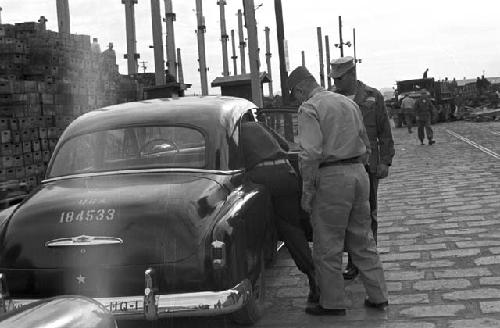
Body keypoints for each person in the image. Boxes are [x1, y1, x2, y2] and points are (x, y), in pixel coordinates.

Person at [287, 66, 388, 316]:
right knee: (362, 240)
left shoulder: (310, 108)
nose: (297, 100)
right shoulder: (347, 102)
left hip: (332, 178)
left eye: (295, 95)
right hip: (358, 173)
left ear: (300, 89)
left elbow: (310, 154)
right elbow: (366, 143)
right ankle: (378, 296)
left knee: (327, 245)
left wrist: (307, 191)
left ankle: (332, 302)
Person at [239, 112, 319, 304]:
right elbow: (284, 146)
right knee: (292, 227)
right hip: (286, 172)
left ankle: (313, 274)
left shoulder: (234, 131)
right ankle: (314, 274)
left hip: (261, 178)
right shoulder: (260, 126)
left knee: (260, 229)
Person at [329, 56, 395, 281]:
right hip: (341, 165)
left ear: (352, 74)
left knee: (368, 214)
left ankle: (368, 258)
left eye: (339, 78)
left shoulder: (372, 96)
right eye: (334, 78)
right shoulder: (330, 99)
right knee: (346, 215)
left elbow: (384, 130)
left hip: (368, 164)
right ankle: (353, 260)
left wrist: (386, 160)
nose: (336, 82)